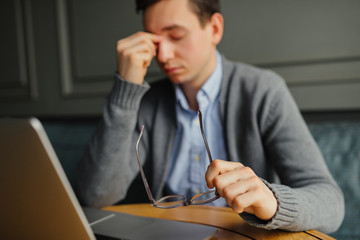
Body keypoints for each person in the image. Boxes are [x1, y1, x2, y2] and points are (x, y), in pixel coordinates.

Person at [77, 0, 344, 233]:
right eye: (155, 41)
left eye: (177, 35)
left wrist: (273, 201)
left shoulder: (263, 91)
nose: (164, 55)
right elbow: (96, 194)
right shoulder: (147, 101)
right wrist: (126, 89)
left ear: (214, 28)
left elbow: (331, 203)